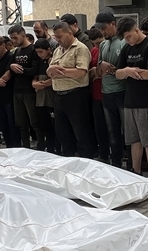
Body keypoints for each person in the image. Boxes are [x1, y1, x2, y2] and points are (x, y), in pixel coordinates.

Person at [115, 16, 148, 175]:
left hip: (147, 101)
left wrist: (130, 72)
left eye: (129, 36)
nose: (128, 40)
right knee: (133, 140)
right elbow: (118, 73)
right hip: (130, 101)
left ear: (137, 30)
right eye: (125, 38)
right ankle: (135, 171)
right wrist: (128, 71)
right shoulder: (126, 49)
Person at [48, 21, 94, 158]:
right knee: (63, 133)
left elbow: (81, 72)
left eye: (60, 36)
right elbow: (50, 70)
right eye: (56, 37)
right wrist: (51, 70)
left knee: (81, 133)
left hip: (75, 95)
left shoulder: (80, 48)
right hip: (59, 95)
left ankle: (86, 161)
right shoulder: (57, 50)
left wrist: (60, 71)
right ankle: (68, 160)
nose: (58, 39)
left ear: (70, 33)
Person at [93, 11, 127, 168]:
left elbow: (124, 69)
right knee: (112, 130)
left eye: (104, 28)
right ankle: (115, 162)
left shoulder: (124, 41)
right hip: (106, 92)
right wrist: (101, 65)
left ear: (113, 24)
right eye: (100, 29)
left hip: (122, 91)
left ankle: (131, 162)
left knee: (126, 130)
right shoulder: (103, 44)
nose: (102, 32)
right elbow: (99, 72)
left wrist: (109, 68)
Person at [8, 24, 38, 149]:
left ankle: (39, 144)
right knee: (21, 122)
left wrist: (21, 69)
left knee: (34, 121)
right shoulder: (16, 51)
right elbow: (11, 68)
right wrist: (11, 67)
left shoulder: (33, 50)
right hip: (17, 91)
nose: (14, 41)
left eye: (15, 38)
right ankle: (25, 146)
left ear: (23, 35)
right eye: (12, 39)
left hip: (30, 91)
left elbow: (35, 70)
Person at [0, 35, 18, 149]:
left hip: (8, 95)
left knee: (12, 124)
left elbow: (7, 76)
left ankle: (15, 147)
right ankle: (8, 145)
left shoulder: (10, 56)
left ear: (3, 45)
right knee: (3, 125)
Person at [86, 27, 109, 160]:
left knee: (113, 127)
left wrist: (98, 72)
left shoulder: (109, 48)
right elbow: (89, 71)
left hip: (109, 91)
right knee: (100, 127)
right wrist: (95, 72)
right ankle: (103, 153)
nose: (97, 46)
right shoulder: (94, 51)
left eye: (100, 42)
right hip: (96, 94)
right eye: (94, 43)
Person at [31, 38, 58, 153]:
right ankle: (49, 147)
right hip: (40, 99)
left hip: (50, 98)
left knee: (54, 127)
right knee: (44, 126)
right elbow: (35, 76)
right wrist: (34, 83)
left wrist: (43, 84)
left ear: (48, 50)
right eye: (37, 52)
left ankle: (56, 148)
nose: (39, 54)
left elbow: (55, 77)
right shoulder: (39, 61)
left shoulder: (52, 60)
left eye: (41, 52)